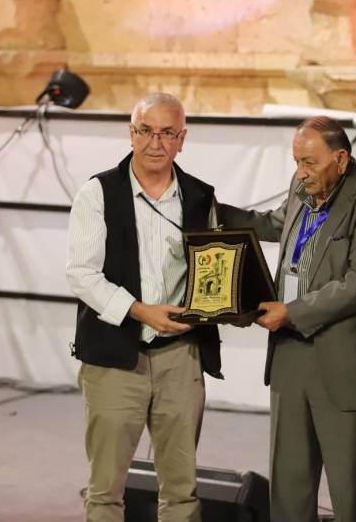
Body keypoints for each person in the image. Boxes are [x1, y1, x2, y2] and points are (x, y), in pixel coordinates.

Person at [219, 116, 356, 522]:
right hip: (290, 352)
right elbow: (275, 223)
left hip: (347, 362)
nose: (301, 172)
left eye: (309, 162)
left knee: (351, 493)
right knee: (288, 486)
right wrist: (213, 211)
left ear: (341, 158)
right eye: (296, 162)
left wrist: (292, 312)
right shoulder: (303, 185)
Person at [67, 92, 222, 522]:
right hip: (114, 359)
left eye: (167, 133)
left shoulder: (200, 196)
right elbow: (81, 274)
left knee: (182, 490)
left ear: (182, 140)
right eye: (146, 131)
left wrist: (226, 304)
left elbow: (212, 273)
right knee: (105, 490)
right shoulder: (97, 193)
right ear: (131, 133)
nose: (156, 143)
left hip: (181, 358)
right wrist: (139, 310)